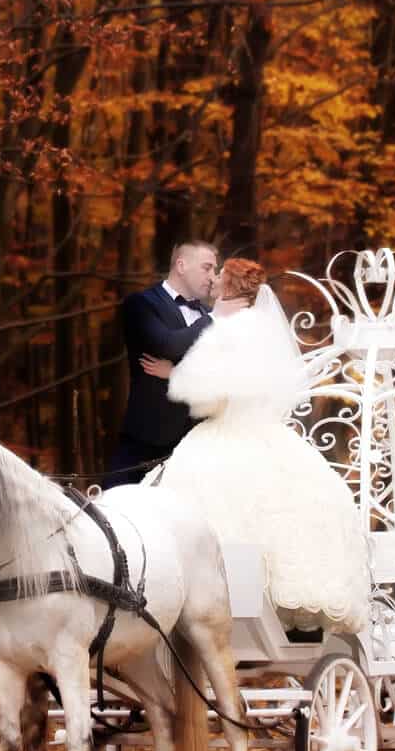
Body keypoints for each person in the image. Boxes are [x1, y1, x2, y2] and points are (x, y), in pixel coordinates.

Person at [157, 258, 370, 633]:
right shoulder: (265, 330)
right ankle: (275, 614)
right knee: (287, 506)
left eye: (218, 277)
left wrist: (179, 379)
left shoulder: (223, 331)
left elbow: (206, 396)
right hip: (268, 433)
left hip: (224, 434)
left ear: (229, 287)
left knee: (199, 507)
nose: (213, 282)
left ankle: (212, 604)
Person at [104, 240, 220, 487]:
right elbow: (167, 346)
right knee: (113, 506)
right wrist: (212, 319)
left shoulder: (207, 314)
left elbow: (218, 372)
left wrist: (176, 372)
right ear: (181, 265)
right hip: (147, 437)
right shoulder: (141, 304)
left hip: (196, 440)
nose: (212, 277)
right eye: (207, 268)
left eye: (214, 270)